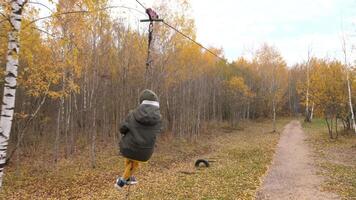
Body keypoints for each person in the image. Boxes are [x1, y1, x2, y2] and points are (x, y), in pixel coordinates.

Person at [115, 89, 162, 190]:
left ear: (141, 102)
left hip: (128, 148)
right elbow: (157, 132)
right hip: (146, 153)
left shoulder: (132, 114)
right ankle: (128, 178)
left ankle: (121, 181)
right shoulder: (158, 119)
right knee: (135, 160)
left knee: (131, 156)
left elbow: (122, 129)